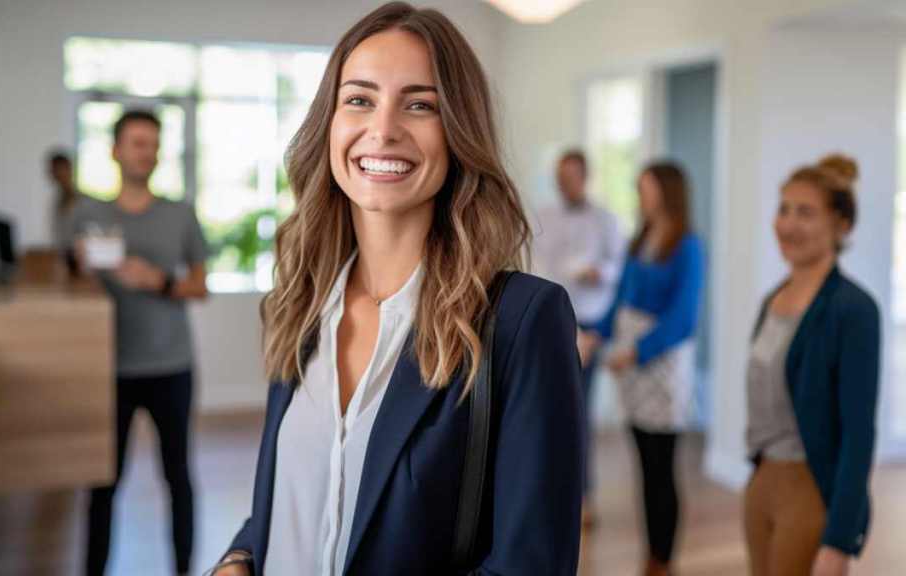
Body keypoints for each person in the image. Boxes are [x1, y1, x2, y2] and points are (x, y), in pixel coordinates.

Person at [211, 3, 583, 575]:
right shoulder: (301, 303)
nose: (382, 129)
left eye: (419, 105)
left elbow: (529, 565)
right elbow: (293, 499)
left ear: (459, 132)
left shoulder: (522, 319)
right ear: (328, 124)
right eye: (359, 99)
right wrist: (239, 558)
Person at [70, 109, 209, 576]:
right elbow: (65, 283)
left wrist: (160, 281)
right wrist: (79, 267)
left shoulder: (180, 214)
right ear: (115, 151)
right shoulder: (87, 216)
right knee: (103, 483)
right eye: (136, 143)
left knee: (178, 478)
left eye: (152, 144)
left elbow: (200, 286)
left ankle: (186, 567)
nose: (145, 152)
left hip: (172, 366)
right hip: (108, 369)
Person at [743, 154, 879, 576]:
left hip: (810, 491)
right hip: (762, 482)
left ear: (841, 226)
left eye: (805, 212)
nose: (787, 224)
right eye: (783, 209)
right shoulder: (773, 298)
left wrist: (839, 542)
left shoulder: (853, 309)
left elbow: (859, 434)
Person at [579, 162, 704, 576]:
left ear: (668, 192)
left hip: (662, 365)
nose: (640, 197)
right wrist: (595, 333)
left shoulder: (688, 246)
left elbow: (683, 317)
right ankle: (652, 553)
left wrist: (636, 351)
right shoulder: (641, 240)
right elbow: (620, 301)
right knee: (644, 466)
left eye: (646, 189)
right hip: (630, 364)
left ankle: (663, 559)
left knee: (661, 467)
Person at [535, 148, 623, 527]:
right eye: (560, 177)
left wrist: (597, 273)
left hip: (589, 325)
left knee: (580, 411)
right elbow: (537, 264)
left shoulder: (607, 220)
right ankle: (547, 490)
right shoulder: (543, 216)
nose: (565, 184)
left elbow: (618, 269)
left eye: (571, 177)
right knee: (545, 410)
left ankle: (583, 496)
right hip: (552, 324)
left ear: (585, 177)